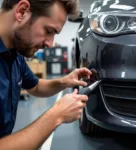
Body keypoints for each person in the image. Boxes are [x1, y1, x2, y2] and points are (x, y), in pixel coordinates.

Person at [0, 0, 92, 149]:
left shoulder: (15, 54)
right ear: (22, 11)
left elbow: (35, 86)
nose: (50, 43)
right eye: (49, 31)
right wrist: (57, 115)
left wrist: (65, 81)